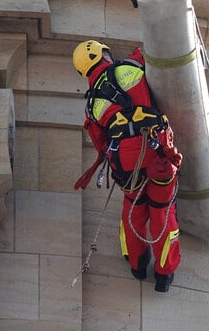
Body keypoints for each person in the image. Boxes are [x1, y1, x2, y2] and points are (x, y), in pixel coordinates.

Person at [72, 39, 183, 293]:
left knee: (133, 210)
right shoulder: (127, 69)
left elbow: (101, 144)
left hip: (125, 164)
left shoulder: (92, 105)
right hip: (154, 150)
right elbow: (148, 60)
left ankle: (137, 264)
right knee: (162, 212)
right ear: (104, 55)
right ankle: (164, 274)